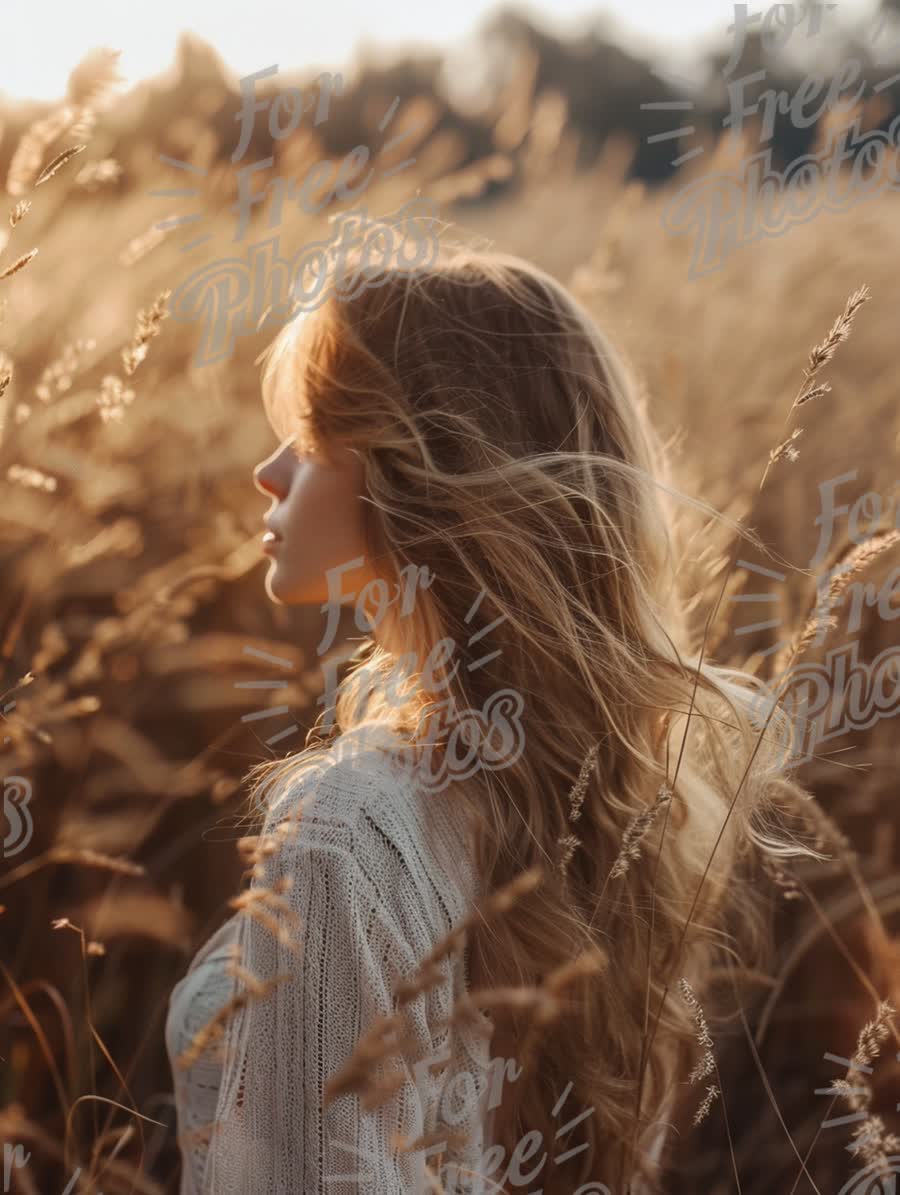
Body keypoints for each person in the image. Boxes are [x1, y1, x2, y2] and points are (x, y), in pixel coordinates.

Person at [165, 245, 808, 1194]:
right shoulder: (607, 792)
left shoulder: (345, 834)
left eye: (309, 435)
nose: (267, 473)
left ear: (420, 472)